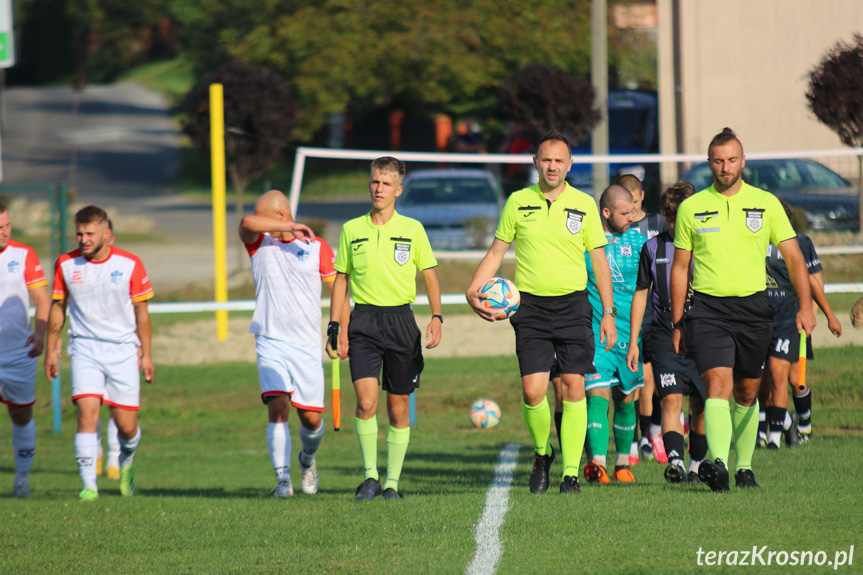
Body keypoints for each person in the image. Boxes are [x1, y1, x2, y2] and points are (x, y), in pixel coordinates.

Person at [467, 131, 615, 495]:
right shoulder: (518, 202)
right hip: (529, 308)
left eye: (559, 160)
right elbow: (497, 252)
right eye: (545, 159)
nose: (552, 166)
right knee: (533, 392)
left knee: (573, 387)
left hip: (573, 306)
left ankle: (569, 474)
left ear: (569, 165)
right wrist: (473, 289)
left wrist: (608, 312)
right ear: (535, 162)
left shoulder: (584, 204)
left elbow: (599, 261)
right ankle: (541, 452)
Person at [670, 128, 816, 491]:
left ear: (743, 161)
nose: (725, 167)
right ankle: (718, 466)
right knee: (717, 385)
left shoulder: (765, 203)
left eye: (731, 159)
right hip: (707, 309)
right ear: (709, 164)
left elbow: (795, 257)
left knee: (748, 392)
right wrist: (677, 321)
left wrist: (806, 305)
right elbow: (680, 268)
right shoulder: (691, 207)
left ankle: (745, 467)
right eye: (718, 161)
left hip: (754, 308)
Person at [327, 157, 443, 501]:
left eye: (386, 184)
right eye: (375, 182)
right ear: (370, 185)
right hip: (362, 322)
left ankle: (392, 483)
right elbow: (340, 281)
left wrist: (437, 316)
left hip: (401, 323)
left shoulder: (413, 229)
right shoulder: (351, 229)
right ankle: (370, 478)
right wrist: (335, 325)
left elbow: (431, 276)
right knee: (365, 402)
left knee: (398, 409)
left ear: (398, 190)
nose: (379, 188)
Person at [45, 205, 155, 501]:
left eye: (89, 233)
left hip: (122, 350)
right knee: (86, 414)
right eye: (79, 233)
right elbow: (58, 306)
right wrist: (52, 349)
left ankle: (126, 463)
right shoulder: (65, 264)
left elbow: (141, 312)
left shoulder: (130, 264)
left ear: (107, 234)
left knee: (127, 427)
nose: (83, 239)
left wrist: (146, 353)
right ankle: (88, 485)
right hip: (84, 348)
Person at [239, 190, 337, 497]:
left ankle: (307, 460)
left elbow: (339, 290)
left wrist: (341, 329)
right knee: (278, 406)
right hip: (270, 340)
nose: (259, 222)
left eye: (264, 216)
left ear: (280, 215)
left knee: (311, 418)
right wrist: (291, 227)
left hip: (306, 346)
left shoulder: (317, 247)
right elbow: (246, 222)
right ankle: (282, 482)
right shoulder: (259, 243)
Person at [628, 181, 708, 484]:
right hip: (663, 332)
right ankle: (675, 460)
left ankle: (696, 464)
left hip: (702, 333)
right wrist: (635, 339)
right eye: (670, 218)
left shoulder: (707, 245)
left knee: (700, 403)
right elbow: (640, 293)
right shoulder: (652, 247)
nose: (675, 224)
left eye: (680, 218)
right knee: (671, 399)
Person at [758, 197, 842, 449]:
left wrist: (820, 314)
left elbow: (813, 282)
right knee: (762, 378)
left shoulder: (798, 244)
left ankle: (797, 425)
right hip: (760, 319)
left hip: (791, 318)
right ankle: (771, 426)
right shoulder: (754, 241)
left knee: (789, 378)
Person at [581, 186, 646, 485]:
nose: (632, 217)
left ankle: (623, 464)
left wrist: (634, 340)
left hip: (630, 335)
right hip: (595, 332)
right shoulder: (587, 242)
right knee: (597, 394)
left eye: (633, 210)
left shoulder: (641, 242)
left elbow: (643, 292)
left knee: (626, 398)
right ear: (606, 213)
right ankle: (598, 465)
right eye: (625, 213)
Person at [617, 173, 670, 464]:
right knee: (638, 382)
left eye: (634, 202)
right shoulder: (613, 227)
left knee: (661, 378)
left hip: (659, 314)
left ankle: (656, 433)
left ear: (642, 197)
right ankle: (637, 441)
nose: (631, 209)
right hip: (630, 316)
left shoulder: (658, 225)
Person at [0, 201, 50, 497]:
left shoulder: (24, 254)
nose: (4, 233)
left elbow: (42, 299)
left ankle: (21, 479)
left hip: (19, 351)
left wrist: (40, 333)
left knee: (21, 414)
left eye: (6, 226)